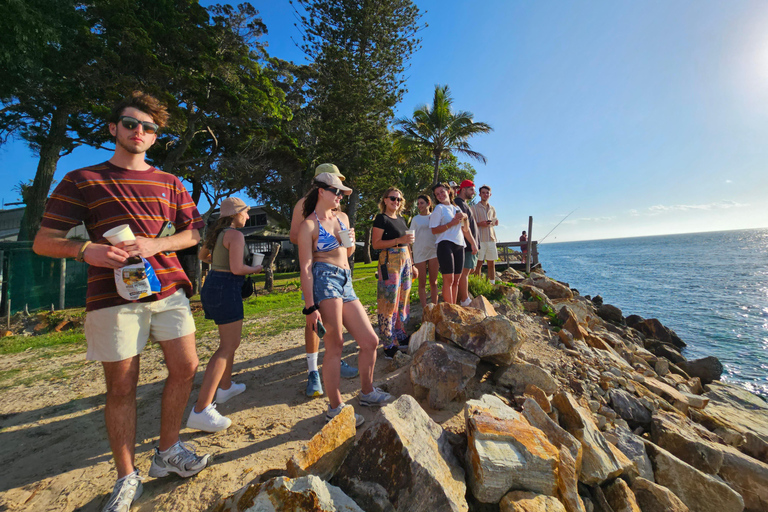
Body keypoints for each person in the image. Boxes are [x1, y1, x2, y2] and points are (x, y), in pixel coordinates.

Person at [32, 91, 209, 512]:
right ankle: (126, 477)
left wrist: (157, 244)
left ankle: (168, 452)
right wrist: (84, 251)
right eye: (131, 124)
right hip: (112, 296)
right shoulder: (82, 179)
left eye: (148, 128)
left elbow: (194, 232)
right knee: (122, 386)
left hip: (168, 290)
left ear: (155, 137)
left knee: (186, 368)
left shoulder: (169, 182)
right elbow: (43, 241)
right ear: (114, 128)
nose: (139, 132)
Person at [298, 172, 393, 426]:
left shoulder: (342, 217)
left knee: (370, 340)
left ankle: (366, 392)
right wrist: (310, 308)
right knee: (335, 343)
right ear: (321, 191)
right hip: (324, 278)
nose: (340, 196)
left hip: (345, 278)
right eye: (336, 191)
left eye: (341, 193)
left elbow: (348, 253)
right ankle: (335, 407)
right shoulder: (308, 225)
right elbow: (306, 267)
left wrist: (348, 242)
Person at [187, 197, 264, 432]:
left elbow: (202, 257)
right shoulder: (236, 235)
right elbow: (238, 269)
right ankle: (201, 409)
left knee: (227, 343)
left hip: (212, 285)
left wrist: (218, 261)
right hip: (227, 286)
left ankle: (225, 387)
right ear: (236, 214)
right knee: (228, 346)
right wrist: (258, 268)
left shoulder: (217, 234)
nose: (248, 217)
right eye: (246, 212)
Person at [289, 163, 358, 398]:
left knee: (334, 330)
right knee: (314, 322)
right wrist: (318, 247)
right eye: (336, 182)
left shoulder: (337, 209)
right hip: (318, 272)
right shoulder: (304, 205)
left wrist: (344, 243)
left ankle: (334, 362)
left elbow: (347, 249)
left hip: (341, 274)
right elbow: (294, 236)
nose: (339, 190)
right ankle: (312, 371)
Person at [372, 187, 418, 358]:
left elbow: (407, 244)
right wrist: (398, 240)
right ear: (384, 200)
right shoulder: (381, 218)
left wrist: (412, 265)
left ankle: (400, 334)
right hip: (389, 261)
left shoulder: (400, 219)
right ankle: (388, 343)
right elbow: (376, 244)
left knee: (403, 299)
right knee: (388, 301)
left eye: (399, 199)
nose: (396, 202)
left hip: (405, 260)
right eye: (392, 198)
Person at [429, 183, 473, 304]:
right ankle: (449, 309)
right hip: (445, 244)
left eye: (442, 192)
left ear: (448, 191)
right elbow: (433, 230)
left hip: (459, 244)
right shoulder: (439, 209)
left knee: (456, 280)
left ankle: (453, 307)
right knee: (449, 279)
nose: (440, 195)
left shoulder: (456, 208)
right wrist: (451, 223)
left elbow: (465, 228)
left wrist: (465, 216)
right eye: (437, 194)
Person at [409, 195, 439, 309]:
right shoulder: (415, 219)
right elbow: (410, 236)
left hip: (433, 251)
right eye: (418, 203)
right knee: (422, 283)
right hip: (419, 252)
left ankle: (435, 307)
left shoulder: (434, 217)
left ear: (428, 204)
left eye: (422, 203)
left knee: (434, 281)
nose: (419, 206)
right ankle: (425, 308)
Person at [454, 180, 479, 306]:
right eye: (471, 190)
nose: (474, 193)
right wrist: (472, 243)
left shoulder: (463, 203)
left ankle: (463, 296)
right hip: (466, 244)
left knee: (468, 270)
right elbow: (464, 226)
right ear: (463, 189)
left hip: (469, 244)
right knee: (464, 272)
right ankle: (464, 299)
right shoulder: (459, 203)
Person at [472, 185, 500, 283]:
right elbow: (471, 223)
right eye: (483, 193)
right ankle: (477, 284)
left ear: (490, 194)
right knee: (478, 263)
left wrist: (495, 222)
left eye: (487, 193)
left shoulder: (492, 208)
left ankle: (492, 284)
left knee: (491, 263)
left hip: (491, 238)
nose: (485, 195)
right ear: (479, 194)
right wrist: (480, 223)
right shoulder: (474, 208)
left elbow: (493, 221)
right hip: (480, 239)